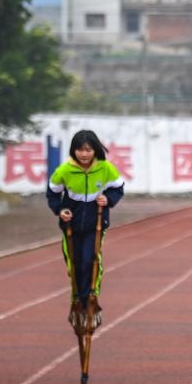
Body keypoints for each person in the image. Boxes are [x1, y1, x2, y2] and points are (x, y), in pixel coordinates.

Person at [47, 130, 124, 327]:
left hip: (95, 224)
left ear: (94, 150)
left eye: (88, 150)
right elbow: (52, 193)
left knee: (90, 260)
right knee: (75, 263)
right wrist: (60, 209)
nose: (84, 154)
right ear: (73, 151)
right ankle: (77, 298)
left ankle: (90, 297)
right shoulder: (64, 170)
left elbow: (118, 188)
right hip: (71, 225)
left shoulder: (105, 168)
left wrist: (108, 199)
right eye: (80, 150)